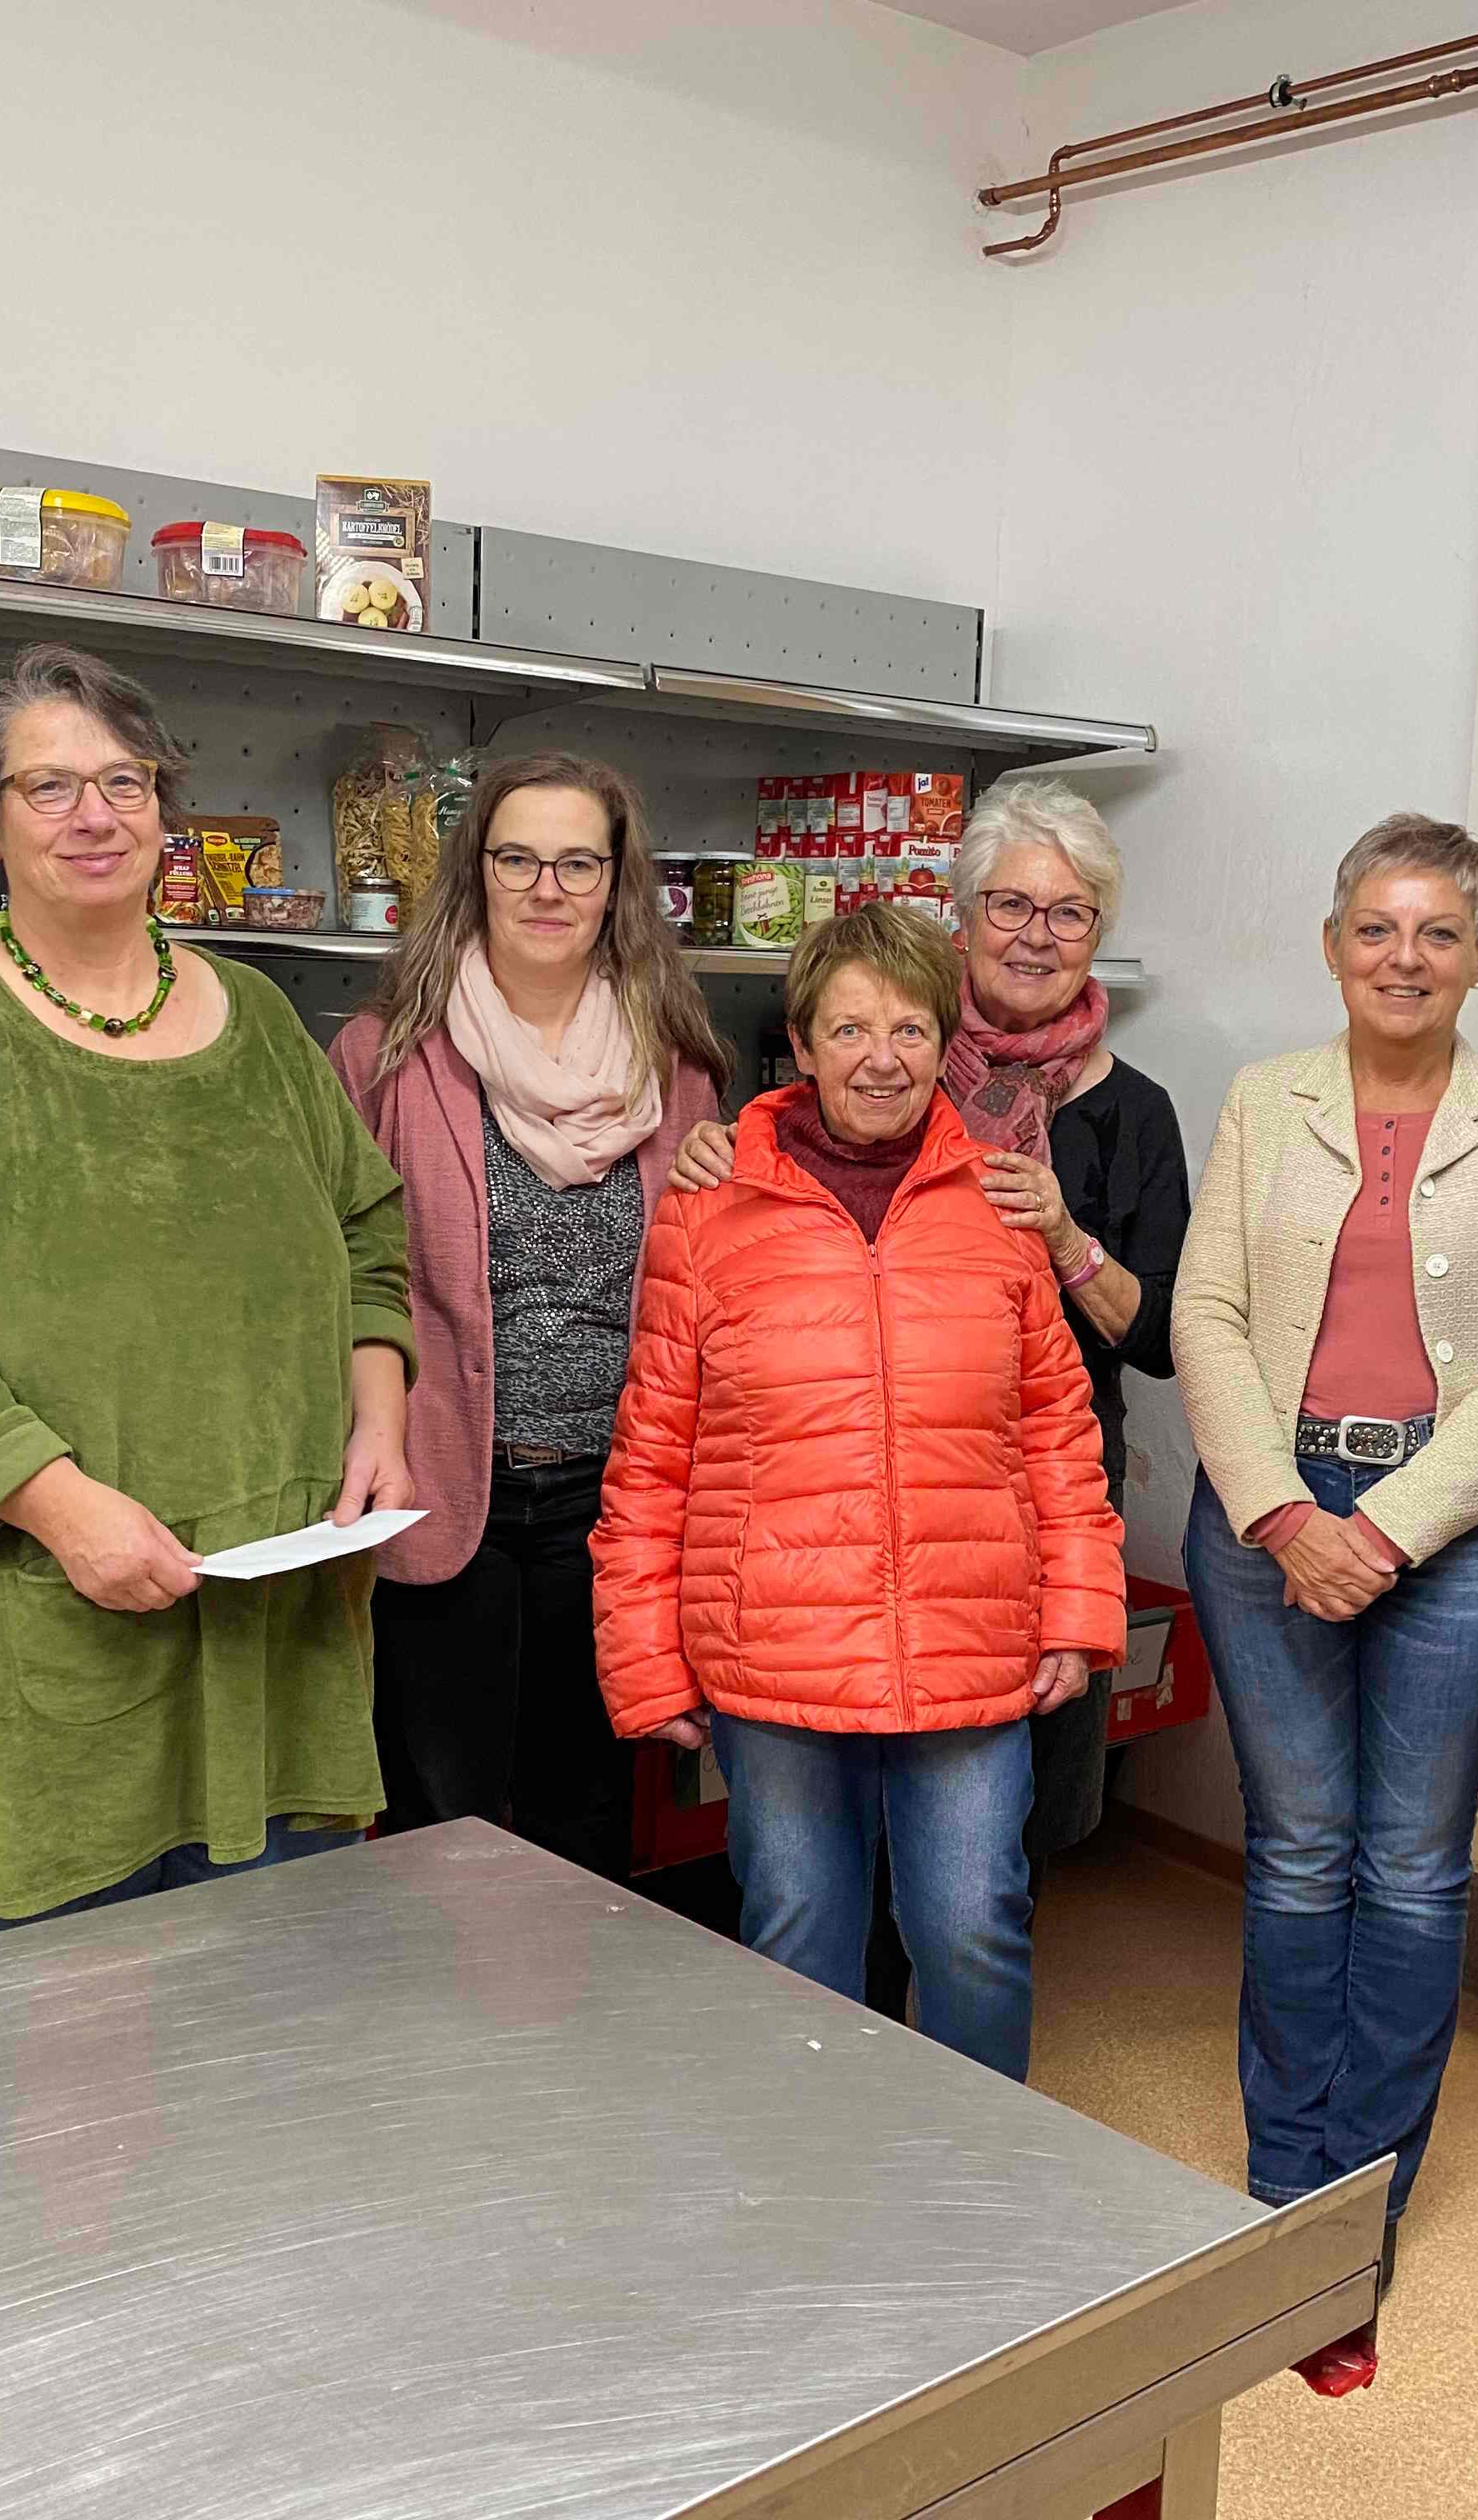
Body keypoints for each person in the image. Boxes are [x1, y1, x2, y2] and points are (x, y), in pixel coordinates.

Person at [0, 643, 414, 1933]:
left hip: (262, 1624)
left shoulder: (262, 1029)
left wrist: (381, 1420)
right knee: (79, 2076)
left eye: (124, 781)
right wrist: (63, 1509)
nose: (95, 817)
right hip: (36, 1649)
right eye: (49, 788)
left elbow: (368, 1230)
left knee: (261, 2019)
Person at [1172, 813, 1478, 2392]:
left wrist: (1392, 1529)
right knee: (1297, 1858)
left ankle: (1366, 2203)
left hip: (1459, 1533)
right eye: (1375, 929)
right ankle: (1287, 2197)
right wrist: (1285, 1510)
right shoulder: (1261, 1103)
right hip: (1267, 1506)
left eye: (1438, 933)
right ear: (1334, 945)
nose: (1403, 958)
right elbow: (1207, 1307)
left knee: (1408, 1872)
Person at [592, 904, 1124, 2079]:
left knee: (974, 1926)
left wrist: (1081, 1615)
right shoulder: (709, 1200)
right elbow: (655, 1452)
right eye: (848, 1030)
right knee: (795, 1935)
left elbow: (1057, 1432)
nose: (879, 1059)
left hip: (968, 1644)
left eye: (908, 1030)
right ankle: (819, 2200)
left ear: (947, 1047)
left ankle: (984, 2184)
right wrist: (643, 1655)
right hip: (770, 1657)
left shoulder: (998, 1201)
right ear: (800, 1040)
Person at [676, 776, 1186, 1881]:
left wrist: (1065, 1240)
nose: (1036, 937)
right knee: (840, 1846)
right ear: (963, 914)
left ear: (1099, 930)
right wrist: (720, 1151)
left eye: (1070, 912)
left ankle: (947, 2044)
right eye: (1010, 905)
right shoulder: (893, 1066)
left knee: (1004, 1844)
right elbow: (779, 1196)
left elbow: (1162, 1337)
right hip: (845, 1495)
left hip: (1030, 1506)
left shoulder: (1131, 1112)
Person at [328, 752, 727, 1884]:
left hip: (618, 1503)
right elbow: (340, 1273)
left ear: (616, 884)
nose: (547, 888)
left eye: (577, 863)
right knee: (442, 1828)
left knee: (589, 1824)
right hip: (448, 1485)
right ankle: (435, 2057)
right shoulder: (386, 1057)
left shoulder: (678, 1071)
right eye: (518, 859)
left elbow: (705, 1291)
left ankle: (568, 2054)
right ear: (477, 872)